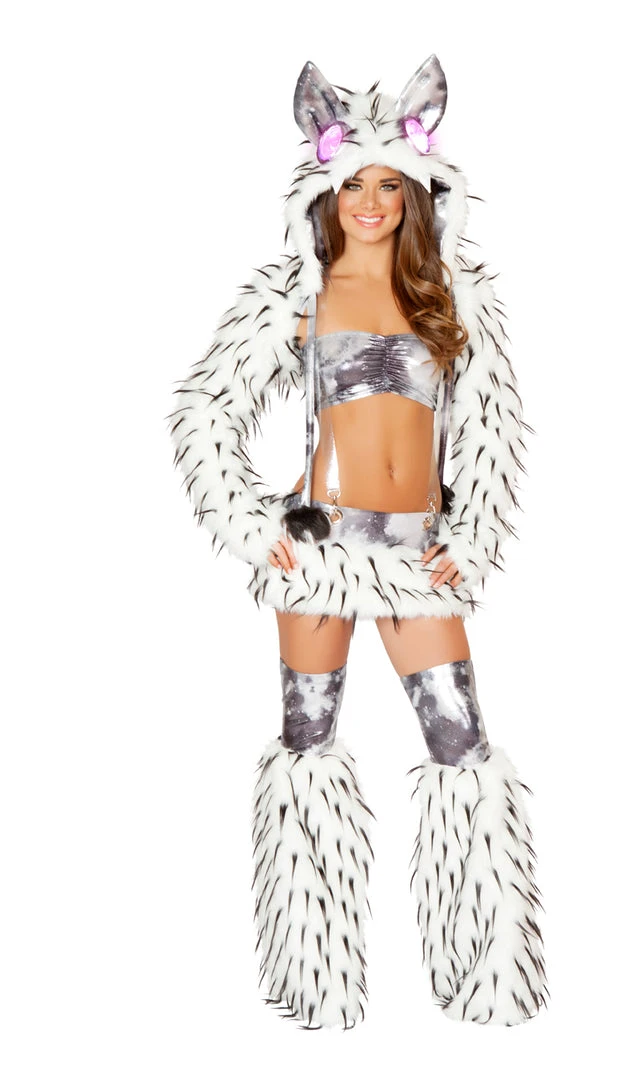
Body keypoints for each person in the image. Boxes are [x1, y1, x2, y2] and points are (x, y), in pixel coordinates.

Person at [167, 56, 547, 1029]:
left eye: (389, 184)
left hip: (417, 556)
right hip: (318, 553)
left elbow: (494, 424)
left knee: (460, 746)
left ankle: (488, 978)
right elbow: (207, 410)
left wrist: (475, 534)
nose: (371, 202)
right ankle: (316, 982)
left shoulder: (451, 296)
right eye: (354, 185)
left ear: (417, 192)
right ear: (326, 193)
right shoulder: (295, 296)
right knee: (309, 747)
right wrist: (252, 525)